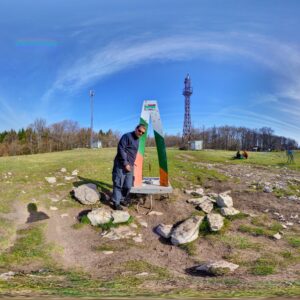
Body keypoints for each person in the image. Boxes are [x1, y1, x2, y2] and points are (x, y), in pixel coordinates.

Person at [111, 124, 146, 210]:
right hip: (121, 164)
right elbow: (121, 149)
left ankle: (122, 199)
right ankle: (116, 203)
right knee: (118, 183)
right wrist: (125, 163)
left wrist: (132, 163)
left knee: (128, 185)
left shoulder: (137, 140)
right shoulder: (127, 136)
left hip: (130, 165)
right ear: (136, 129)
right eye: (139, 131)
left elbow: (132, 152)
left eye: (142, 133)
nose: (140, 133)